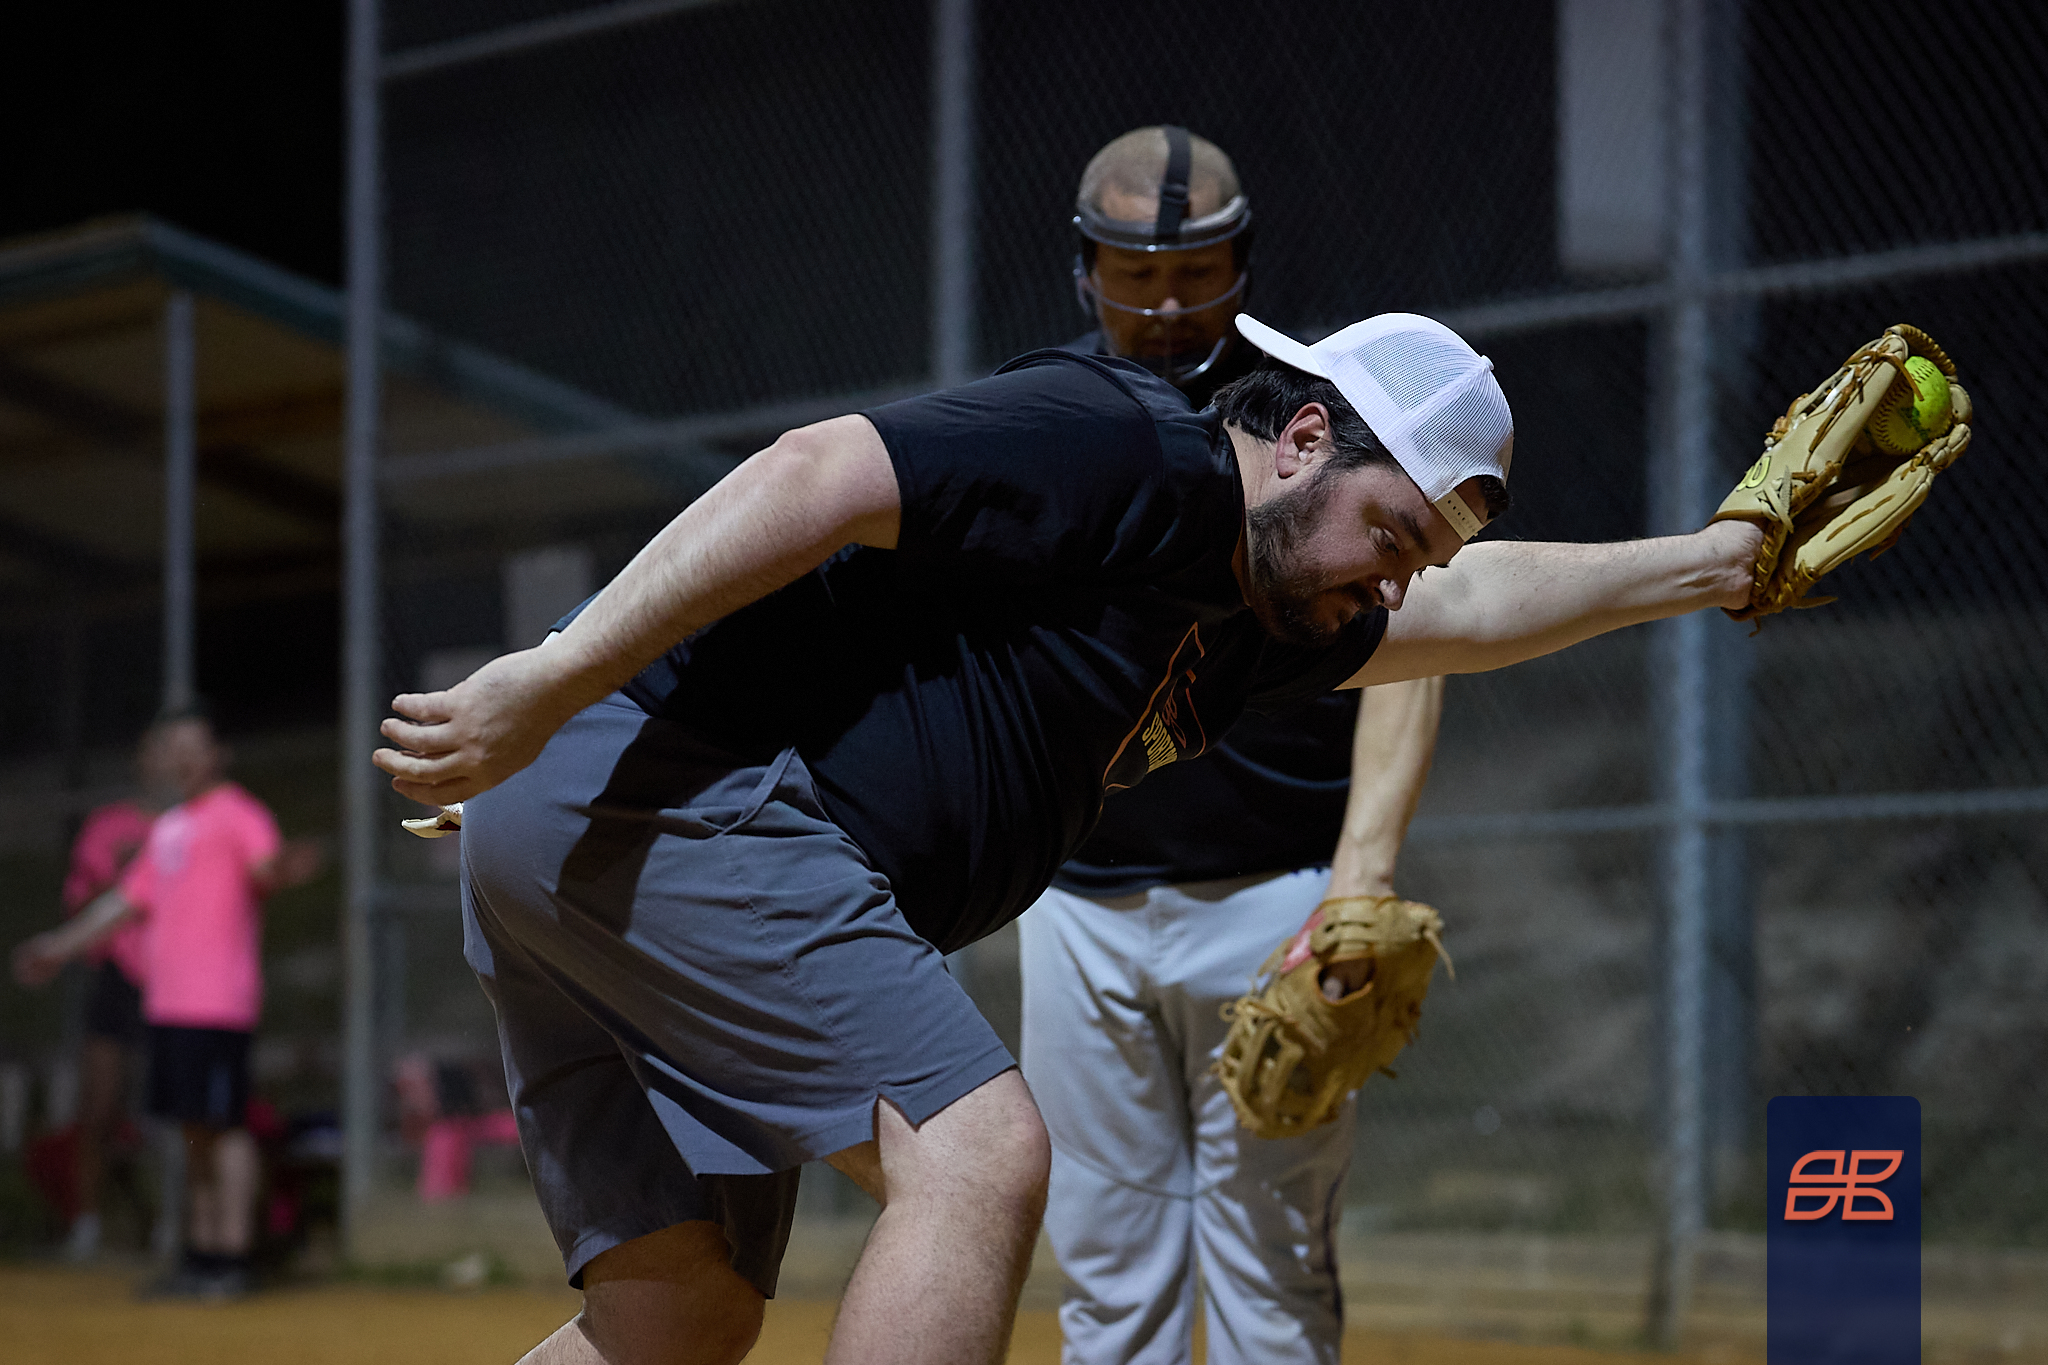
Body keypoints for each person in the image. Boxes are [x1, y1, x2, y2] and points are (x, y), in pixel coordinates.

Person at [370, 297, 1762, 1365]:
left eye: (1415, 560)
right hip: (674, 788)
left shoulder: (1259, 611)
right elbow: (816, 471)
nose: (1390, 587)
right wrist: (552, 680)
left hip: (591, 832)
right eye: (1391, 535)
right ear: (1302, 439)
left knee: (678, 1316)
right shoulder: (1134, 444)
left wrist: (1708, 565)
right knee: (978, 1158)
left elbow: (1470, 608)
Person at [1022, 125, 1443, 1364]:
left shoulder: (1315, 417)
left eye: (1194, 271)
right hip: (1077, 899)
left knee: (1273, 1272)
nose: (1164, 302)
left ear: (1242, 262)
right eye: (1134, 272)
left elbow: (1418, 640)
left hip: (1274, 897)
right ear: (1083, 268)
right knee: (1107, 1278)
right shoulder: (1043, 407)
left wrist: (1359, 885)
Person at [12, 708, 320, 1299]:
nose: (182, 758)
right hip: (169, 1006)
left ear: (217, 756)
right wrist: (59, 947)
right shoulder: (171, 826)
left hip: (217, 1005)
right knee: (193, 1132)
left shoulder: (240, 813)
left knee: (225, 1128)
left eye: (193, 746)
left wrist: (284, 868)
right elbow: (124, 903)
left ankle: (232, 1256)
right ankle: (201, 1255)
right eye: (173, 747)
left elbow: (265, 867)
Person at [53, 727, 175, 1261]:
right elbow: (83, 903)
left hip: (174, 978)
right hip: (117, 976)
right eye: (156, 754)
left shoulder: (186, 824)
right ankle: (87, 1224)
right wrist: (127, 875)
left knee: (170, 1113)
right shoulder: (110, 826)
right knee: (99, 1106)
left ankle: (171, 1223)